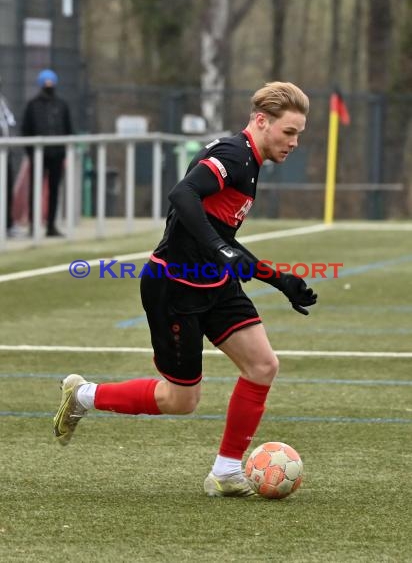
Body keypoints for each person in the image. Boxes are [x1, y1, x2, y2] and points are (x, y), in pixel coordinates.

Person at [53, 81, 317, 497]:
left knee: (263, 366)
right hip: (174, 287)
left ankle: (227, 472)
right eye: (289, 131)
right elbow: (182, 194)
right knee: (181, 399)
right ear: (262, 122)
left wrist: (279, 280)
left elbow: (221, 235)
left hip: (214, 282)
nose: (295, 142)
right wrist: (218, 249)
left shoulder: (251, 161)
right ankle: (84, 394)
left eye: (299, 133)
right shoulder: (234, 154)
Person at [21, 69, 73, 237]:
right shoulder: (33, 105)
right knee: (35, 190)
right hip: (38, 155)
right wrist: (31, 153)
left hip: (57, 155)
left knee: (54, 190)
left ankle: (51, 225)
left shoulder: (61, 105)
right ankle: (33, 225)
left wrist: (63, 152)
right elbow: (26, 130)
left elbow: (68, 129)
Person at [0, 75, 17, 236]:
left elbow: (10, 123)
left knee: (6, 189)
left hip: (5, 154)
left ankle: (7, 224)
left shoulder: (3, 102)